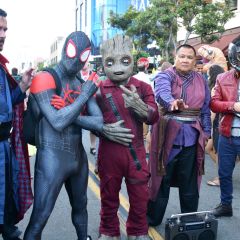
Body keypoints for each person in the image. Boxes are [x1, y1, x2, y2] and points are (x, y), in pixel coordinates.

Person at [23, 31, 102, 240]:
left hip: (77, 157)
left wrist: (69, 111)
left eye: (83, 55)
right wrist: (83, 96)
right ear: (65, 48)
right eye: (72, 51)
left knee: (81, 207)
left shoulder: (79, 81)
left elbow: (98, 123)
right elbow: (57, 122)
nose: (76, 60)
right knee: (40, 216)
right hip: (52, 158)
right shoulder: (44, 78)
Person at [96, 35, 159, 239]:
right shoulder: (98, 90)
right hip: (109, 153)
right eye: (110, 62)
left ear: (131, 59)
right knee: (108, 195)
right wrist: (102, 129)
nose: (117, 68)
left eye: (124, 61)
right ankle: (109, 230)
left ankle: (138, 230)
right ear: (103, 62)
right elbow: (85, 119)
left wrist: (140, 107)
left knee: (140, 197)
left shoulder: (143, 87)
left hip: (136, 154)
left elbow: (153, 117)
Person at [147, 44, 211, 226]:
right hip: (166, 137)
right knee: (160, 180)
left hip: (192, 138)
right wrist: (171, 102)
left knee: (190, 183)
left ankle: (189, 220)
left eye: (189, 57)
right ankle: (152, 218)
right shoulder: (164, 75)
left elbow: (205, 110)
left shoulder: (201, 80)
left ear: (194, 60)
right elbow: (161, 94)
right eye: (181, 56)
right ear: (175, 58)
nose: (185, 60)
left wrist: (206, 132)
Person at [0, 8, 33, 240]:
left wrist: (21, 86)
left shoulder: (1, 68)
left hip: (4, 147)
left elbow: (6, 105)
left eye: (5, 29)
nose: (3, 34)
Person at [210, 36, 240, 218]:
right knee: (224, 173)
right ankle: (225, 205)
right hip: (227, 134)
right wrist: (232, 106)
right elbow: (213, 104)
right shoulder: (222, 78)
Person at [205, 64, 225, 187]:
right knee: (209, 148)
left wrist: (209, 127)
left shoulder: (215, 88)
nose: (206, 77)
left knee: (218, 152)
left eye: (208, 75)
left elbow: (213, 110)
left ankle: (221, 177)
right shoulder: (224, 85)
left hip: (218, 122)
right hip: (222, 121)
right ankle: (225, 172)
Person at [80, 61, 98, 155]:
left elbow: (98, 87)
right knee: (78, 125)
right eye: (82, 63)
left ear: (88, 64)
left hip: (91, 102)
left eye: (85, 62)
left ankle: (92, 146)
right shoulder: (77, 74)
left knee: (93, 126)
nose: (84, 64)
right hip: (79, 103)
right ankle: (78, 146)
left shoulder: (94, 74)